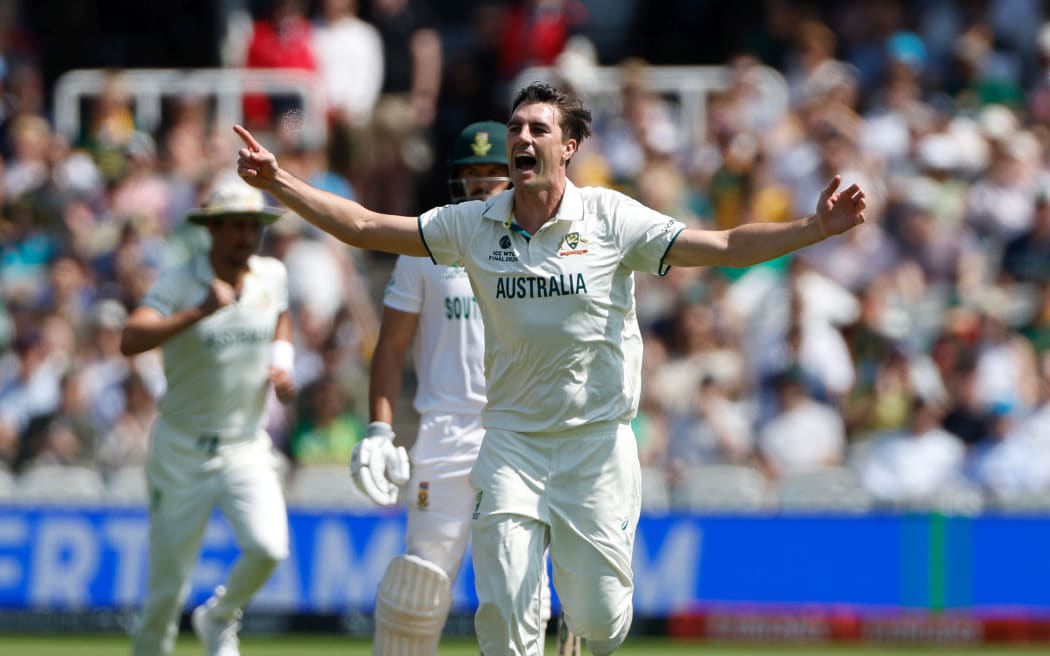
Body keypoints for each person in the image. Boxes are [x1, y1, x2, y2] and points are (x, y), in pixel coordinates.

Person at [234, 81, 866, 656]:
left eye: (538, 129)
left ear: (570, 146)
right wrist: (279, 183)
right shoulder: (472, 224)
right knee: (505, 611)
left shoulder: (611, 219)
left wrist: (814, 227)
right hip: (510, 443)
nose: (523, 139)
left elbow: (725, 246)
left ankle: (580, 629)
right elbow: (368, 225)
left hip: (595, 446)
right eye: (516, 129)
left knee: (603, 619)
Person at [350, 120, 576, 654]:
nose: (480, 183)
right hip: (446, 434)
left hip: (520, 436)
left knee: (520, 594)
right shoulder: (428, 244)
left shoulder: (549, 245)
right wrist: (380, 428)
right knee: (417, 590)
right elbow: (390, 347)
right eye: (470, 174)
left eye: (492, 172)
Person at [121, 180, 296, 656]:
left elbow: (280, 316)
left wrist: (283, 363)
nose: (246, 236)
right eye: (236, 226)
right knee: (167, 588)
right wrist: (200, 311)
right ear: (213, 229)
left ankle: (219, 614)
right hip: (182, 450)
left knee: (270, 548)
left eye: (253, 226)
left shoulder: (271, 274)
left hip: (245, 444)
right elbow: (131, 338)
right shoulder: (180, 282)